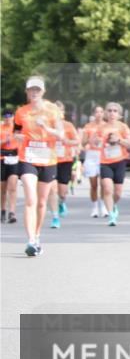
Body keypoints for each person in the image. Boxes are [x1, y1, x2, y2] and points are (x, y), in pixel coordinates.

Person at [13, 76, 65, 256]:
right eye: (31, 90)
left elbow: (61, 135)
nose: (34, 93)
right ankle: (31, 241)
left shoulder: (53, 111)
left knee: (42, 202)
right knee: (30, 199)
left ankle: (37, 234)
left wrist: (46, 128)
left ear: (43, 92)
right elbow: (17, 131)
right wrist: (17, 137)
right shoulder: (21, 112)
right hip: (27, 157)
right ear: (26, 92)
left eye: (37, 90)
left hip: (48, 159)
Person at [98, 101, 130, 227]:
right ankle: (111, 216)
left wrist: (119, 140)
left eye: (115, 111)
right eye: (109, 110)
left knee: (117, 193)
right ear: (106, 113)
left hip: (120, 161)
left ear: (119, 114)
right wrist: (96, 142)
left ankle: (113, 206)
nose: (112, 113)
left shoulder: (123, 127)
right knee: (107, 188)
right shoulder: (101, 128)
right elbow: (93, 143)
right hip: (105, 162)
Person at [48, 101, 79, 229]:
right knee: (52, 189)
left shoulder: (68, 125)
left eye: (59, 110)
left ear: (63, 112)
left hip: (65, 160)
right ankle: (55, 217)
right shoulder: (47, 125)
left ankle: (62, 203)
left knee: (62, 192)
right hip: (50, 160)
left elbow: (77, 141)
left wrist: (67, 141)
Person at [81, 105, 106, 217]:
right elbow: (83, 142)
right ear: (93, 113)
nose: (99, 114)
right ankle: (95, 207)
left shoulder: (107, 126)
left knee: (104, 183)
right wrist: (89, 140)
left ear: (103, 113)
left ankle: (104, 207)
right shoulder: (88, 126)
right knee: (94, 184)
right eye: (97, 112)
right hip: (91, 155)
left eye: (101, 112)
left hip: (103, 155)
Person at [1, 107, 19, 224]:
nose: (8, 118)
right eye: (6, 116)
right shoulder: (0, 127)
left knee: (12, 186)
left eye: (10, 116)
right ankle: (2, 210)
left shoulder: (17, 129)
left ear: (13, 117)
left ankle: (12, 212)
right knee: (2, 188)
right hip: (2, 158)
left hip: (14, 158)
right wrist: (4, 141)